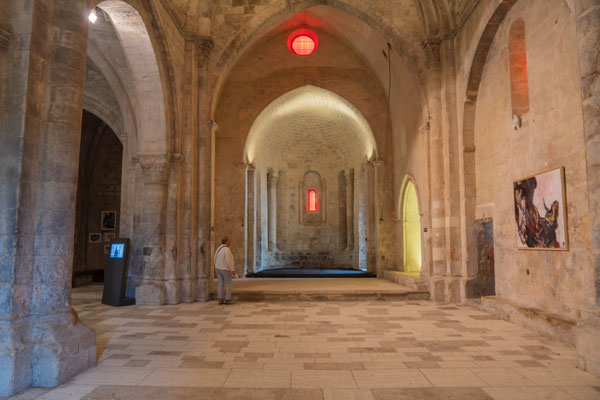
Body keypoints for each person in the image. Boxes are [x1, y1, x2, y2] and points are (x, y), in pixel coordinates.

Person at [214, 236, 237, 304]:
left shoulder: (218, 248)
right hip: (225, 269)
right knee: (228, 284)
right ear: (226, 242)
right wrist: (232, 269)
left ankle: (220, 299)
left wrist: (215, 267)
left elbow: (215, 257)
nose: (230, 242)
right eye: (229, 241)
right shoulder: (227, 249)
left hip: (218, 268)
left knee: (220, 283)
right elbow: (228, 260)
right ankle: (227, 299)